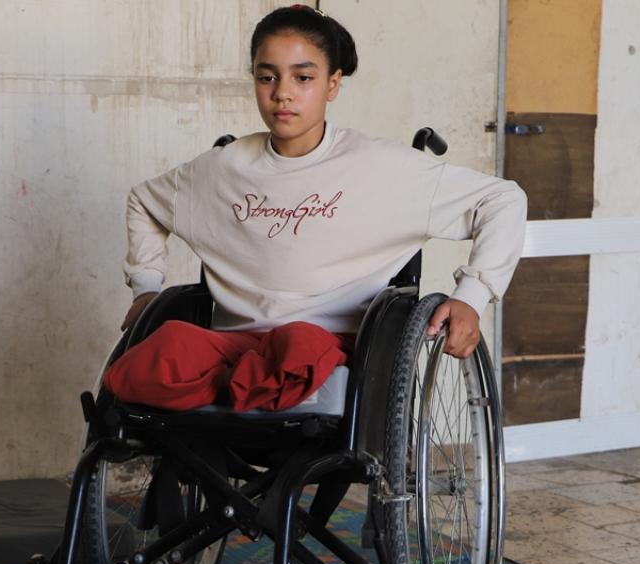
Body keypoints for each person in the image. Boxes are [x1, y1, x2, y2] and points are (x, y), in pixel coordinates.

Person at [103, 4, 526, 413]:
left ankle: (235, 391)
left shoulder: (381, 167)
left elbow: (502, 200)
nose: (282, 93)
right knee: (161, 348)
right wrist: (146, 287)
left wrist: (472, 297)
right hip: (233, 346)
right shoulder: (221, 168)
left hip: (326, 345)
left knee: (299, 346)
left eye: (303, 77)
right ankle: (241, 388)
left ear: (333, 84)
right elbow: (144, 201)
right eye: (267, 77)